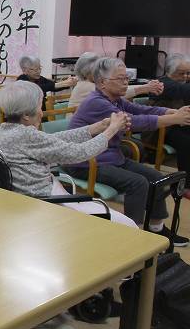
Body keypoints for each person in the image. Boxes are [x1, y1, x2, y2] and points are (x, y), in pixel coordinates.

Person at [65, 57, 190, 245]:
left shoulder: (115, 100)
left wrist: (171, 112)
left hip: (110, 158)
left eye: (126, 78)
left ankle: (156, 228)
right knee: (138, 183)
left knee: (159, 179)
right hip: (86, 161)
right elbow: (134, 121)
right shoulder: (96, 102)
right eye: (120, 79)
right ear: (102, 82)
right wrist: (173, 119)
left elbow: (140, 110)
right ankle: (132, 236)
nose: (126, 82)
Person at [0, 80, 136, 227]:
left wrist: (97, 127)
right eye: (40, 107)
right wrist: (112, 130)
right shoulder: (27, 135)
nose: (41, 113)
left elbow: (51, 139)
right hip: (46, 201)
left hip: (30, 197)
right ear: (27, 115)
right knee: (126, 224)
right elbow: (79, 153)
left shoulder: (2, 131)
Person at [146, 53, 190, 179]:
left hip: (179, 125)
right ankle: (185, 182)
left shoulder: (182, 84)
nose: (186, 76)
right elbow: (183, 90)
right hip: (160, 128)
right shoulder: (162, 84)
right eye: (181, 73)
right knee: (187, 142)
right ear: (169, 72)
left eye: (188, 73)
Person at [68, 52, 163, 108]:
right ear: (87, 71)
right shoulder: (85, 85)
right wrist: (146, 87)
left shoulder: (90, 83)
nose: (101, 72)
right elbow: (117, 91)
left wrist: (147, 86)